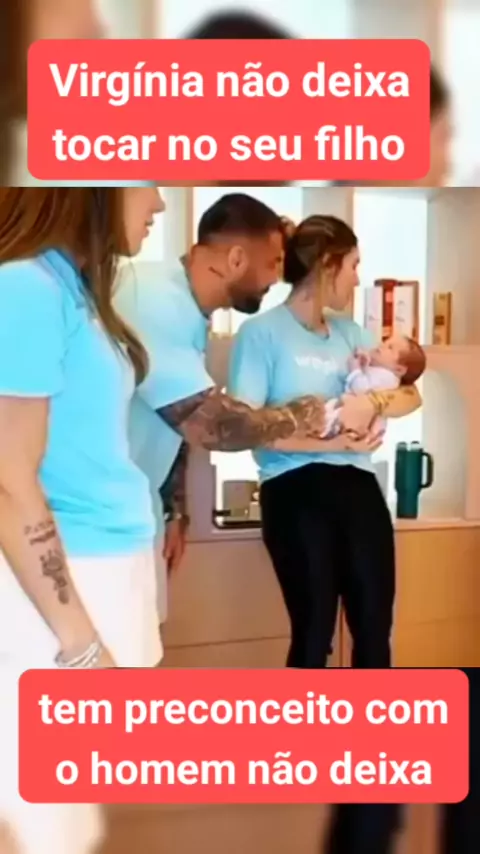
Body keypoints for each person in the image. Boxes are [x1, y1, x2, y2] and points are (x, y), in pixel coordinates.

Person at [227, 214, 420, 854]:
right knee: (313, 630)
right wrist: (330, 438)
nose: (358, 278)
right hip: (295, 488)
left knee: (374, 627)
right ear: (329, 262)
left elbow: (410, 392)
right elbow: (247, 427)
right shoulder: (261, 334)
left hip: (358, 488)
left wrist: (372, 405)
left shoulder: (353, 333)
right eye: (354, 265)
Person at [114, 194, 395, 622]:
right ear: (237, 259)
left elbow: (172, 415)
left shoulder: (190, 312)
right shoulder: (154, 299)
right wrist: (309, 413)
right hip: (90, 521)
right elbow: (216, 426)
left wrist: (173, 508)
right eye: (274, 263)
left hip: (135, 510)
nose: (280, 276)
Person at [0, 186, 164, 854]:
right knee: (46, 829)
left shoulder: (71, 287)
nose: (158, 203)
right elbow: (8, 480)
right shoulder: (26, 287)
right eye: (147, 179)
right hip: (58, 598)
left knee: (73, 827)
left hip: (102, 578)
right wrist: (81, 647)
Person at [322, 335, 427, 438]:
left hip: (354, 422)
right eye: (384, 342)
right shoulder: (382, 373)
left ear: (399, 369)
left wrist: (355, 370)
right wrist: (364, 364)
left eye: (390, 348)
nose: (381, 346)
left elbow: (360, 390)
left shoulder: (388, 378)